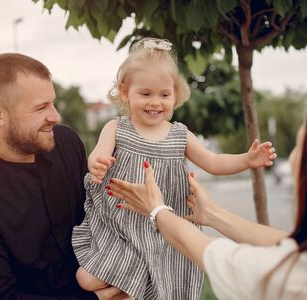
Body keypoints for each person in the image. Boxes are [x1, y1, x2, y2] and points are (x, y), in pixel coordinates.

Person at [108, 92, 307, 300]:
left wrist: (156, 209)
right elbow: (284, 240)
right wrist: (213, 215)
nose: (295, 155)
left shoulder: (297, 279)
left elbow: (204, 250)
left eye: (301, 144)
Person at [72, 37, 276, 299]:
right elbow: (96, 156)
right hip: (123, 228)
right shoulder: (116, 128)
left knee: (158, 283)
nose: (155, 102)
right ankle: (136, 287)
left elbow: (213, 162)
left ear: (175, 94)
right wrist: (97, 163)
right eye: (145, 94)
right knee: (86, 279)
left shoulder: (180, 135)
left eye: (164, 95)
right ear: (125, 92)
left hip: (165, 227)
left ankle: (138, 288)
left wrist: (246, 160)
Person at [0, 53, 123, 299]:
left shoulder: (67, 142)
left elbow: (97, 216)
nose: (55, 116)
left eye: (53, 103)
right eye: (41, 107)